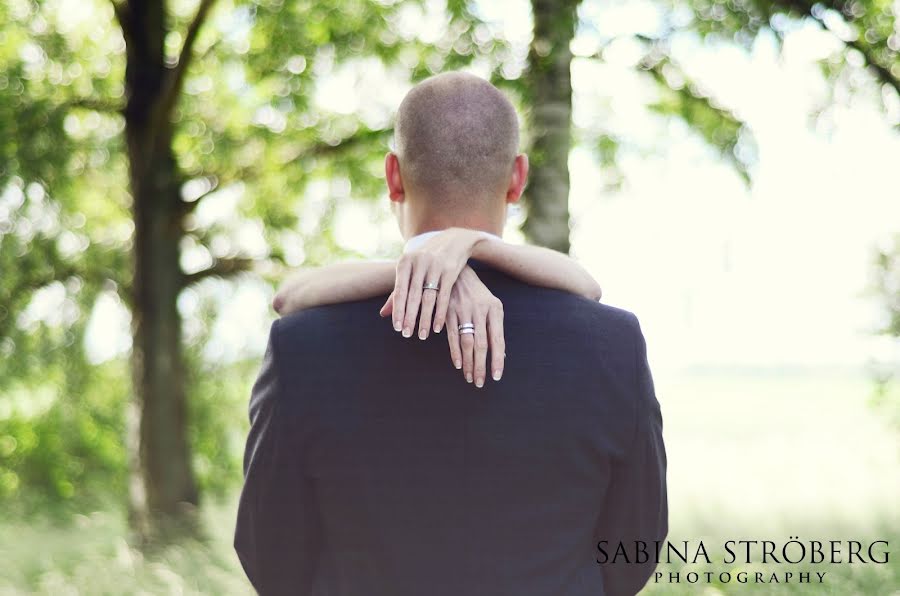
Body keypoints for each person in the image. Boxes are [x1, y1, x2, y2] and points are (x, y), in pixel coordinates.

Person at [235, 71, 667, 596]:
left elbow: (270, 555)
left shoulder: (300, 347)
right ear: (517, 179)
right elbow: (637, 548)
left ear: (393, 176)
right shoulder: (614, 345)